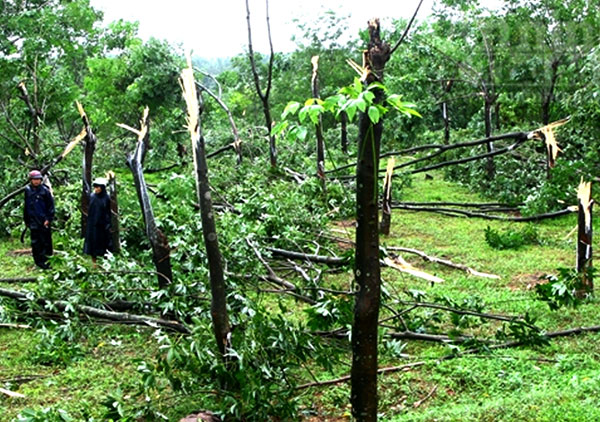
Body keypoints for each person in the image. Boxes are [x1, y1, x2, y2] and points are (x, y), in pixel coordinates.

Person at [24, 170, 55, 269]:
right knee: (35, 242)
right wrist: (26, 220)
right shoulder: (28, 190)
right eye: (34, 179)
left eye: (38, 179)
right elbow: (26, 206)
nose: (36, 181)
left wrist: (48, 218)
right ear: (31, 180)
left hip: (43, 220)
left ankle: (47, 261)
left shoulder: (45, 190)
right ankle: (38, 262)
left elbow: (50, 206)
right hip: (33, 220)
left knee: (45, 241)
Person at [83, 177, 113, 265]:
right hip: (92, 224)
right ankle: (94, 263)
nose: (96, 189)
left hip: (103, 225)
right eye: (95, 187)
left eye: (98, 187)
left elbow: (108, 212)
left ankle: (105, 263)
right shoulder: (92, 197)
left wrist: (108, 224)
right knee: (93, 243)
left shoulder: (107, 198)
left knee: (104, 244)